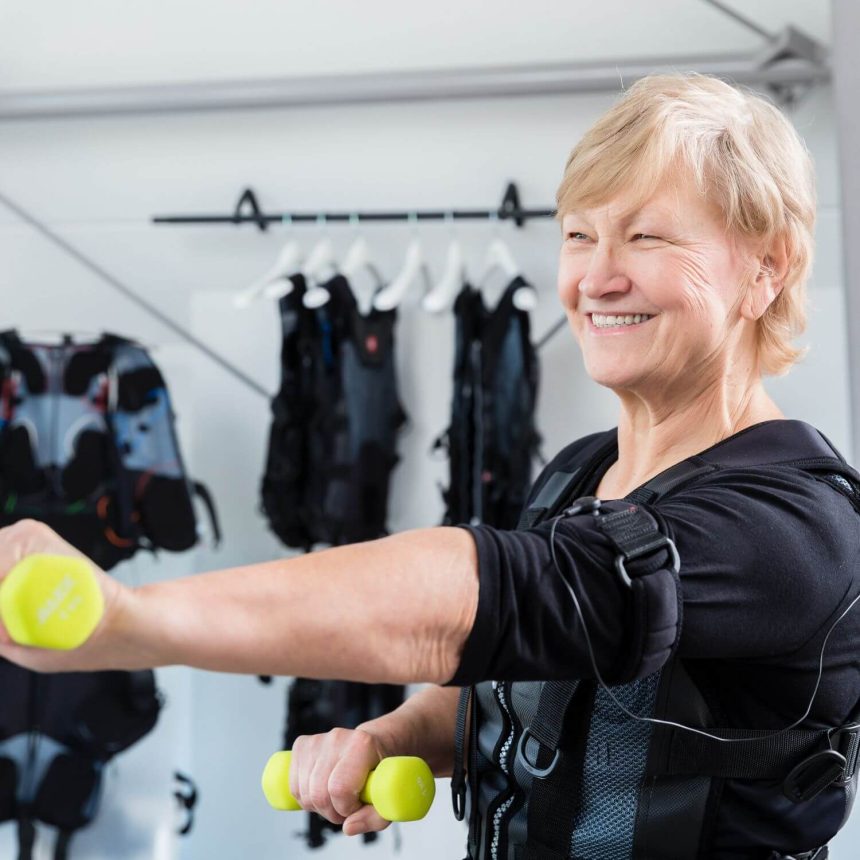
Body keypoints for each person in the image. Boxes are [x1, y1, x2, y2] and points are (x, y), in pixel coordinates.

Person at [1, 73, 859, 859]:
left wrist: (132, 621)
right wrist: (393, 736)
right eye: (578, 235)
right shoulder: (578, 472)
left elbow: (483, 603)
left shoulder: (794, 529)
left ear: (768, 268)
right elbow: (518, 673)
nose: (596, 278)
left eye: (646, 237)